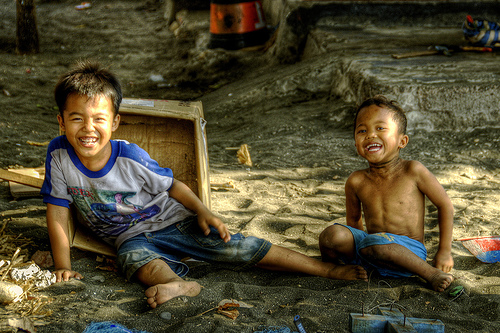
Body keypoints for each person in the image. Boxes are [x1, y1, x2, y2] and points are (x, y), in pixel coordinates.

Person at [41, 60, 368, 309]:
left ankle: (324, 271)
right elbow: (57, 215)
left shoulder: (130, 157)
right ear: (61, 121)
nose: (88, 128)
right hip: (130, 238)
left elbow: (175, 187)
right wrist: (63, 267)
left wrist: (203, 212)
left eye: (98, 119)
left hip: (172, 222)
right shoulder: (58, 156)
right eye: (76, 118)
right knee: (134, 260)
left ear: (114, 122)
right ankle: (179, 285)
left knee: (238, 247)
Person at [319, 95, 454, 292]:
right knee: (331, 235)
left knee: (376, 244)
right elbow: (354, 223)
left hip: (409, 253)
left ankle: (429, 273)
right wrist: (354, 246)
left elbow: (445, 205)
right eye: (362, 130)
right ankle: (336, 269)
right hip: (370, 250)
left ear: (402, 141)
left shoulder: (413, 171)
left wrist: (444, 251)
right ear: (355, 143)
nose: (370, 135)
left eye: (380, 128)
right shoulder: (356, 180)